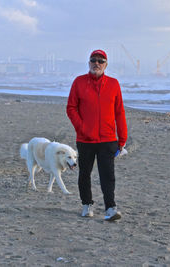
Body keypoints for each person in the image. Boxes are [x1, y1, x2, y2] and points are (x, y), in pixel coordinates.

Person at [66, 49, 127, 221]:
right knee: (84, 173)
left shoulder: (114, 84)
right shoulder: (79, 82)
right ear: (89, 63)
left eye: (101, 61)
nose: (97, 63)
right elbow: (71, 108)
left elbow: (119, 112)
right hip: (85, 139)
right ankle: (87, 204)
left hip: (108, 139)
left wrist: (122, 138)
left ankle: (110, 208)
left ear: (106, 65)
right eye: (94, 60)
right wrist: (81, 128)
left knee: (107, 175)